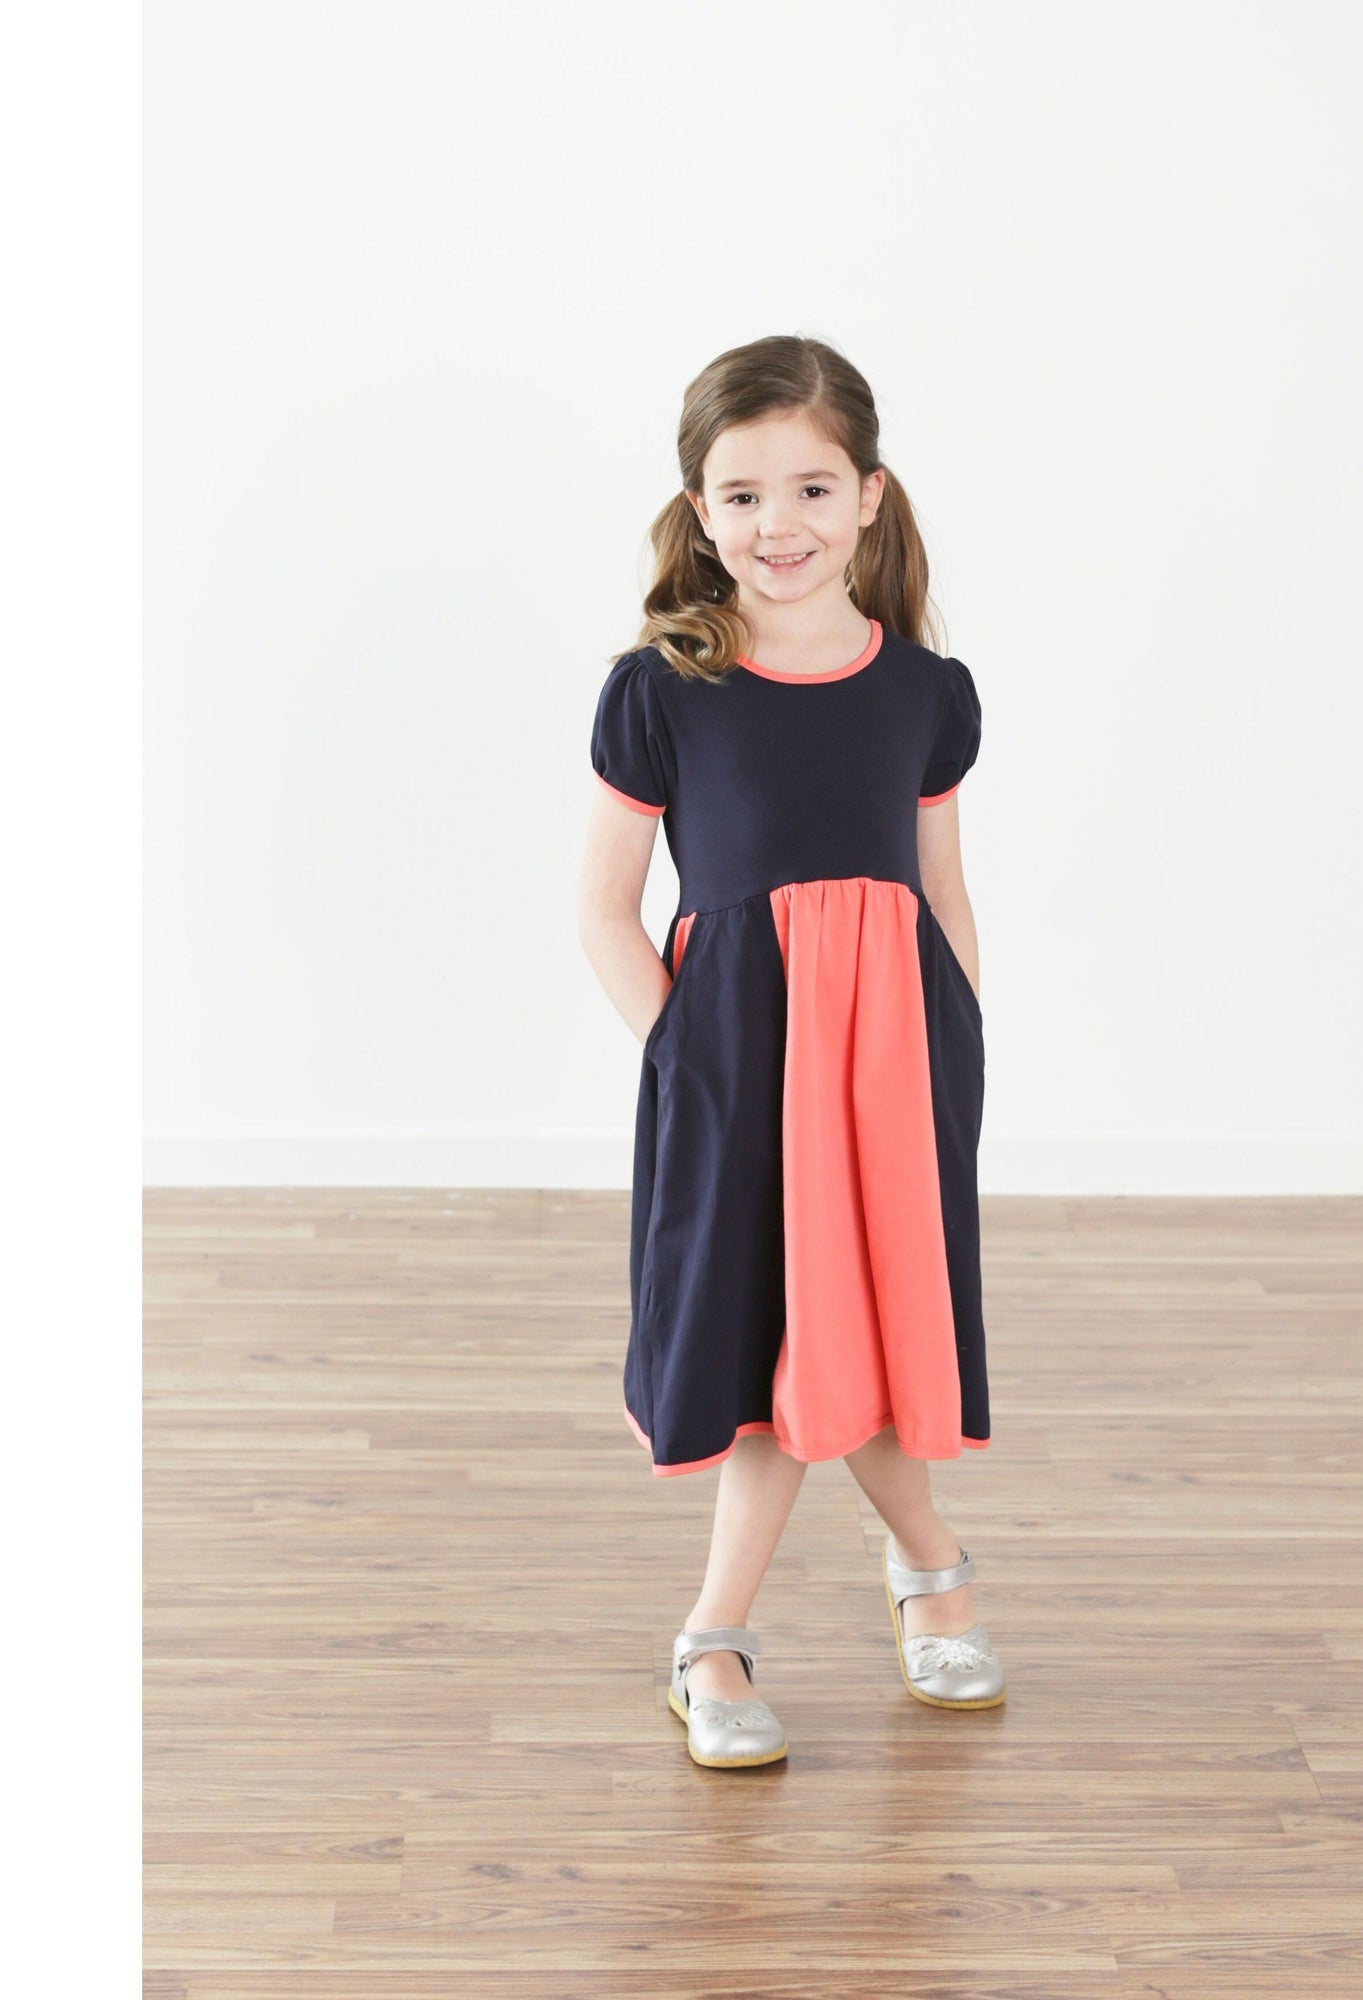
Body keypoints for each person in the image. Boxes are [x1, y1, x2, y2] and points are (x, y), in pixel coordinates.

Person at [577, 334, 1005, 1770]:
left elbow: (941, 894)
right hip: (737, 1076)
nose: (781, 524)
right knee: (774, 1343)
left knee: (867, 1334)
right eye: (743, 494)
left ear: (870, 495)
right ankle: (829, 1599)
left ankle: (849, 1592)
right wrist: (688, 1060)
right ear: (701, 512)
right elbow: (603, 906)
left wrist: (954, 1054)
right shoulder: (661, 690)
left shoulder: (925, 693)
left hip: (892, 1070)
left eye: (813, 488)